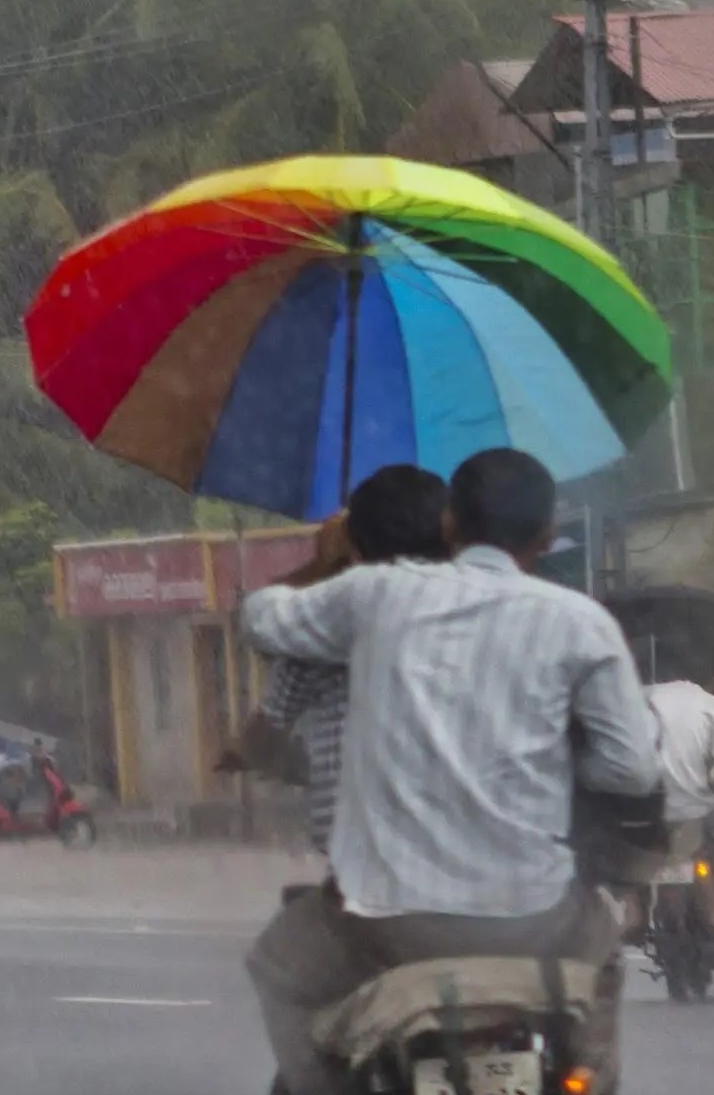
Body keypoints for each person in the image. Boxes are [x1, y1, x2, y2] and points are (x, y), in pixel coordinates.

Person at [238, 449, 661, 1095]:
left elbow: (260, 618)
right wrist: (561, 761)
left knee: (279, 969)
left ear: (451, 524)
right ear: (548, 536)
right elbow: (632, 770)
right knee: (604, 956)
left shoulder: (375, 595)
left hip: (390, 923)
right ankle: (589, 1081)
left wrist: (327, 559)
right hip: (534, 919)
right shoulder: (582, 622)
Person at [221, 465, 451, 859]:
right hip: (469, 856)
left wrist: (325, 563)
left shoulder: (336, 616)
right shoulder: (490, 613)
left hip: (363, 861)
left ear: (355, 546)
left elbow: (256, 620)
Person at [648, 676, 714, 942]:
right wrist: (709, 785)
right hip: (697, 813)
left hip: (646, 814)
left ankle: (632, 907)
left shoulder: (634, 701)